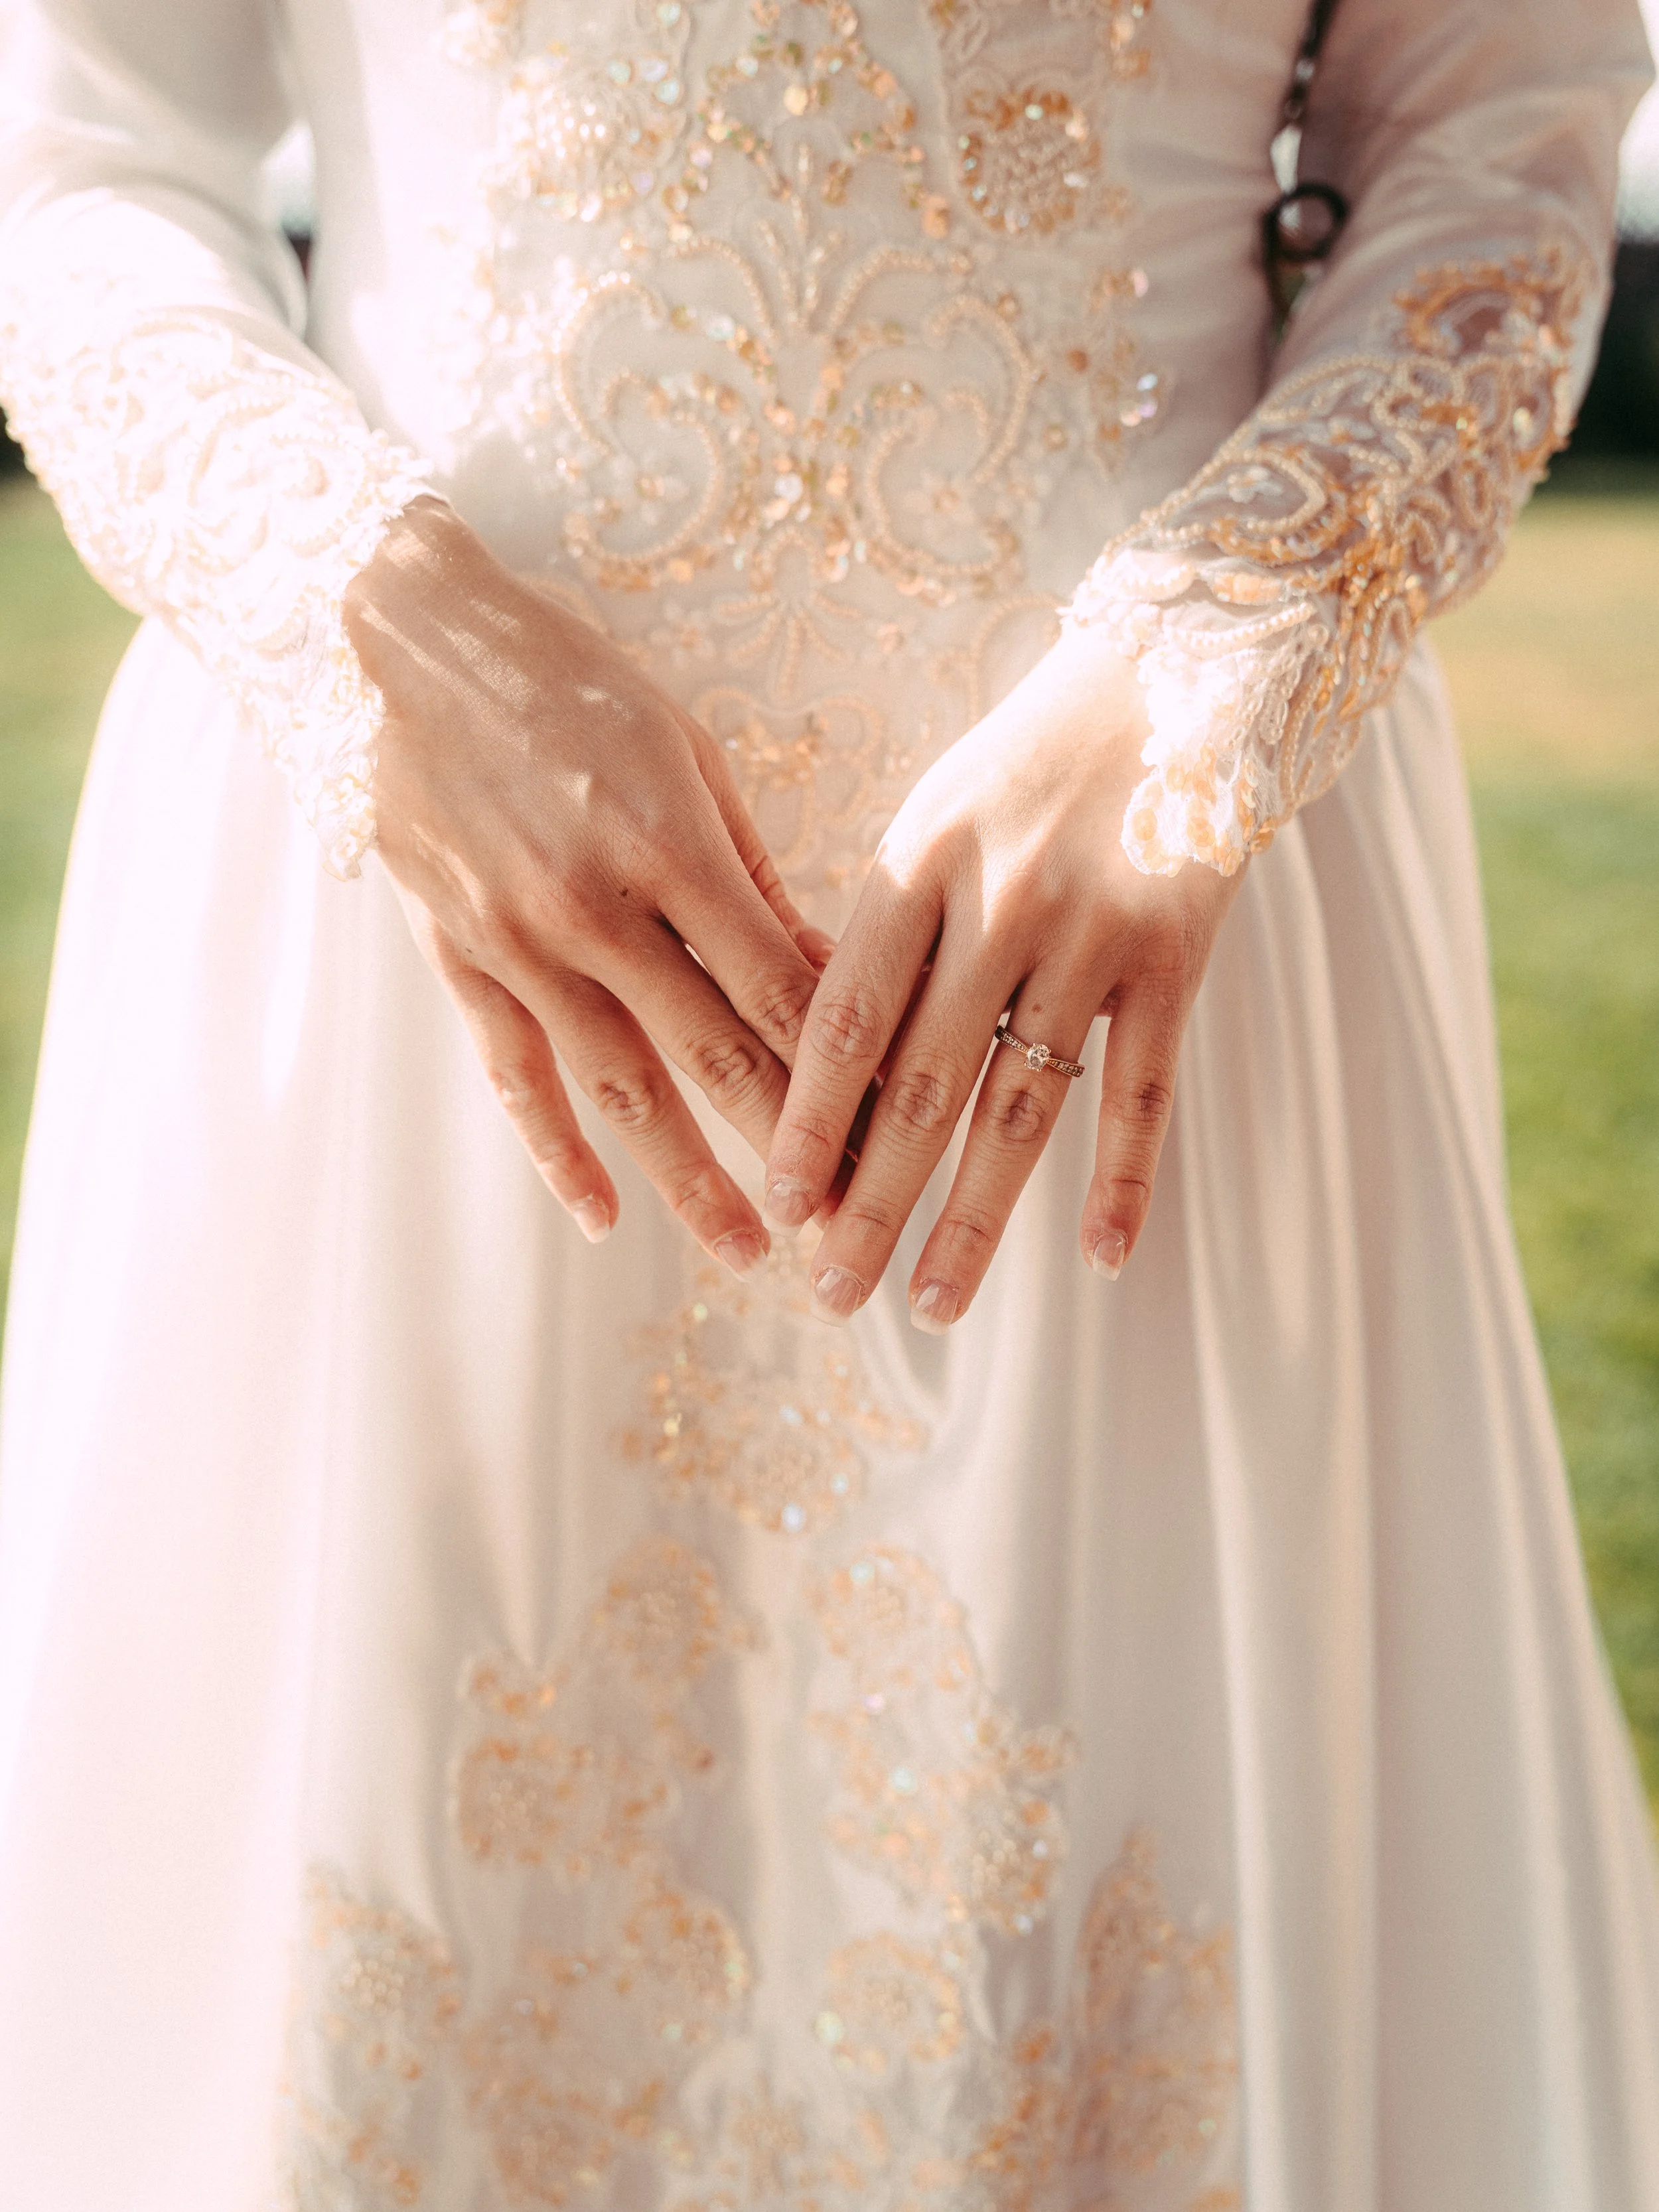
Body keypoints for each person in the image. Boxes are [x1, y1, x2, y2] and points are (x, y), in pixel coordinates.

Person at [1, 0, 1656, 2201]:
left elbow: (1494, 153)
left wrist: (1225, 641)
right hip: (408, 907)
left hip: (1144, 917)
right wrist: (353, 612)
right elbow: (79, 167)